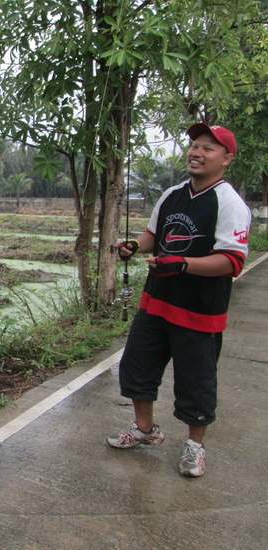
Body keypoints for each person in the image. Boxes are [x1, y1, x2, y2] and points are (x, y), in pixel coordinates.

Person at [108, 123, 251, 477]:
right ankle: (144, 430)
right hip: (156, 302)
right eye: (194, 145)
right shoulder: (172, 194)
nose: (197, 153)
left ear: (226, 159)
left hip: (200, 310)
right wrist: (133, 247)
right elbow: (153, 235)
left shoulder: (229, 203)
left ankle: (194, 446)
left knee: (196, 381)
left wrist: (183, 265)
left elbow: (232, 261)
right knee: (137, 368)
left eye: (209, 148)